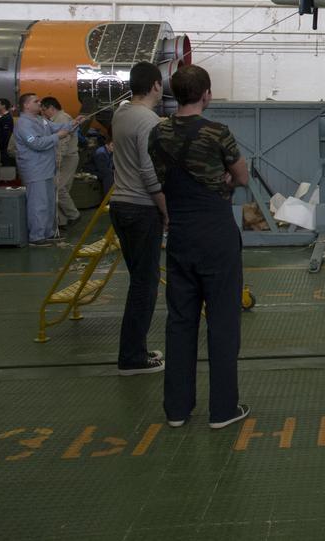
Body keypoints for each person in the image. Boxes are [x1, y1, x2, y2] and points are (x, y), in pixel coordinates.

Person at [149, 65, 249, 429]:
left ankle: (177, 409)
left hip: (180, 234)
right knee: (222, 322)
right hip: (216, 235)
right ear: (206, 93)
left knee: (180, 321)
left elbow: (163, 178)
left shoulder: (157, 133)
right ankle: (223, 410)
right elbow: (242, 176)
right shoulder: (217, 133)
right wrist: (223, 179)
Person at [112, 62, 169, 377]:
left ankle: (135, 349)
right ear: (157, 86)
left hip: (120, 206)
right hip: (141, 208)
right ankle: (132, 358)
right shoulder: (148, 121)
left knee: (139, 282)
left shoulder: (121, 113)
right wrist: (166, 209)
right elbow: (150, 173)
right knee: (145, 286)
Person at [13, 92, 83, 246]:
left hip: (46, 168)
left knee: (49, 202)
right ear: (26, 105)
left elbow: (56, 127)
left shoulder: (40, 120)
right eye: (36, 101)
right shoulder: (23, 124)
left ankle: (48, 233)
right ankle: (37, 236)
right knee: (38, 203)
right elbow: (36, 143)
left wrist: (73, 123)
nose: (40, 103)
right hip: (35, 169)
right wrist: (57, 136)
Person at [42, 98, 81, 229]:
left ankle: (74, 215)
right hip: (63, 157)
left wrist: (58, 157)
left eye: (44, 109)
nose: (43, 113)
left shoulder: (62, 118)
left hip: (66, 158)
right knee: (61, 190)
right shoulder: (56, 120)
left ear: (51, 108)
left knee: (58, 188)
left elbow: (64, 140)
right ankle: (62, 222)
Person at [0, 98, 15, 175]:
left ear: (3, 106)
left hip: (4, 148)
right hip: (0, 147)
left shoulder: (7, 118)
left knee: (6, 168)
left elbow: (6, 135)